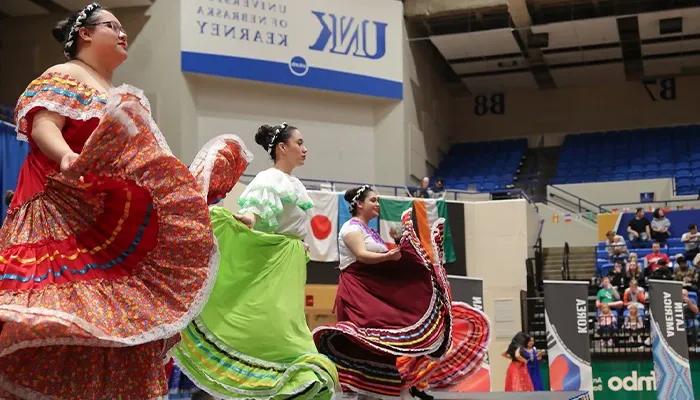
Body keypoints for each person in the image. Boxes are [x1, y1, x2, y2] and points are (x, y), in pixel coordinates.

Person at [0, 3, 217, 398]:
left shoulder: (118, 94)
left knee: (112, 326)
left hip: (105, 223)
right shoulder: (65, 74)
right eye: (112, 26)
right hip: (58, 212)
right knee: (60, 314)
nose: (123, 34)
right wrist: (65, 154)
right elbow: (44, 122)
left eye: (123, 28)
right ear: (84, 33)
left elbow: (146, 163)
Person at [172, 125, 338, 399]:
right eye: (299, 142)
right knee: (275, 331)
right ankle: (271, 382)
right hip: (274, 267)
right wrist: (248, 218)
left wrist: (298, 243)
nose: (305, 148)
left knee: (285, 329)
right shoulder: (270, 178)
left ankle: (281, 383)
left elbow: (289, 225)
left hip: (289, 266)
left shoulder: (293, 184)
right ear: (282, 148)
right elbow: (254, 211)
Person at [313, 186, 490, 399]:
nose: (377, 204)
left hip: (373, 289)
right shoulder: (350, 228)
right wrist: (391, 255)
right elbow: (361, 255)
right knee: (371, 342)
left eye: (378, 201)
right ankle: (367, 391)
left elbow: (379, 258)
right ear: (359, 204)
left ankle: (396, 386)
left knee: (389, 340)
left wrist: (400, 253)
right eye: (374, 200)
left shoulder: (369, 231)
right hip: (358, 291)